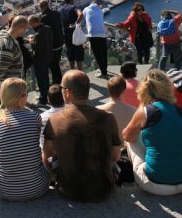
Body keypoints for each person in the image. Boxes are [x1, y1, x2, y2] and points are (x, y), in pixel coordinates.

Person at [43, 70, 123, 202]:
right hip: (104, 189)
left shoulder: (55, 120)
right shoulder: (108, 118)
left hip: (69, 190)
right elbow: (115, 156)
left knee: (44, 157)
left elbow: (47, 154)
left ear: (68, 92)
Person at [122, 69, 182, 196]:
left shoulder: (145, 111)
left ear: (144, 89)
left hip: (157, 184)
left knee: (131, 141)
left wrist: (142, 105)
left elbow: (127, 136)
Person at [0, 78, 48, 201]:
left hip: (5, 190)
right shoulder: (35, 117)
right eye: (26, 94)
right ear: (21, 97)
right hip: (38, 187)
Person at [0, 16, 27, 87]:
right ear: (22, 28)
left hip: (8, 84)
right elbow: (2, 67)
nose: (25, 31)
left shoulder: (5, 38)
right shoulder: (8, 45)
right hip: (10, 86)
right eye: (25, 29)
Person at [28, 14, 54, 105]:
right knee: (46, 77)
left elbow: (36, 47)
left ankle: (43, 99)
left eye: (31, 24)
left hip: (39, 59)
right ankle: (47, 95)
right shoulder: (47, 28)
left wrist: (31, 41)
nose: (30, 26)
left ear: (35, 23)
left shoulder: (38, 33)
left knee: (41, 79)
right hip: (48, 57)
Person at [79, 0, 109, 77]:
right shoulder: (100, 10)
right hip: (102, 34)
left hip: (93, 35)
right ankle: (104, 70)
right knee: (103, 53)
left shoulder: (85, 9)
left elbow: (85, 20)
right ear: (98, 4)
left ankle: (103, 71)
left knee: (97, 54)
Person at [39, 0, 64, 84]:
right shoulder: (56, 13)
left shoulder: (44, 17)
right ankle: (58, 82)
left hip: (52, 45)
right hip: (60, 42)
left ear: (41, 8)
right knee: (56, 64)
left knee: (53, 65)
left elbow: (44, 33)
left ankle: (57, 83)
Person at [59, 0, 84, 71]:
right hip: (75, 34)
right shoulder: (73, 7)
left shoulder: (60, 9)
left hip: (66, 35)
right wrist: (76, 23)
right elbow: (81, 14)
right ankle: (80, 75)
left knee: (70, 56)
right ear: (71, 0)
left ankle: (72, 74)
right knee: (78, 57)